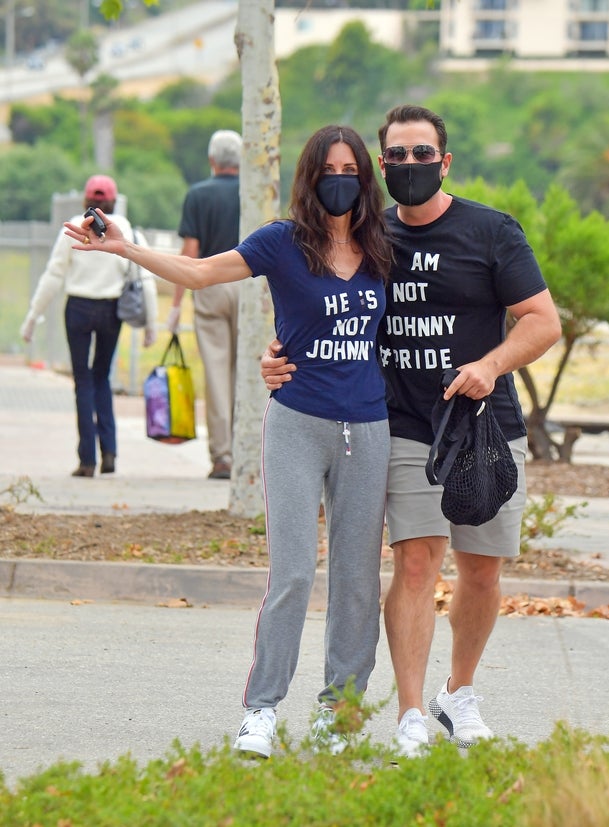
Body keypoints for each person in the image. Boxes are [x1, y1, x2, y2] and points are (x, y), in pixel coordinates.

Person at [64, 125, 394, 758]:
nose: (341, 179)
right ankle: (261, 711)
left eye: (352, 168)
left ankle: (340, 713)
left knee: (356, 580)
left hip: (368, 429)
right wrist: (126, 250)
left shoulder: (384, 246)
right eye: (329, 168)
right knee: (293, 573)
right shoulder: (281, 243)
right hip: (298, 423)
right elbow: (197, 270)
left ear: (366, 178)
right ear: (309, 176)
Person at [260, 104, 562, 756]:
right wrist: (277, 357)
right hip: (401, 427)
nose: (410, 166)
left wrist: (491, 363)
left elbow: (542, 320)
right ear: (383, 162)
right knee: (417, 562)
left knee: (481, 570)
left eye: (422, 155)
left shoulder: (491, 231)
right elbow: (324, 308)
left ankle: (460, 691)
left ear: (444, 161)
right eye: (396, 156)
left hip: (484, 428)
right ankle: (411, 711)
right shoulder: (370, 237)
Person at [20, 174, 158, 478]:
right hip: (111, 310)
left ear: (86, 201)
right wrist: (151, 325)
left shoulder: (73, 226)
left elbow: (53, 275)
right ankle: (109, 453)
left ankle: (86, 460)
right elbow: (145, 279)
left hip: (79, 308)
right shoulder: (125, 228)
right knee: (102, 378)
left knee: (82, 380)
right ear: (113, 200)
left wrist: (32, 317)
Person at [166, 130, 242, 480]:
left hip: (210, 284)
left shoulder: (197, 195)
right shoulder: (253, 192)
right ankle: (248, 449)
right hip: (248, 283)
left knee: (216, 372)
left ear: (213, 161)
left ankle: (222, 456)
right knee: (246, 373)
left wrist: (176, 302)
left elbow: (190, 253)